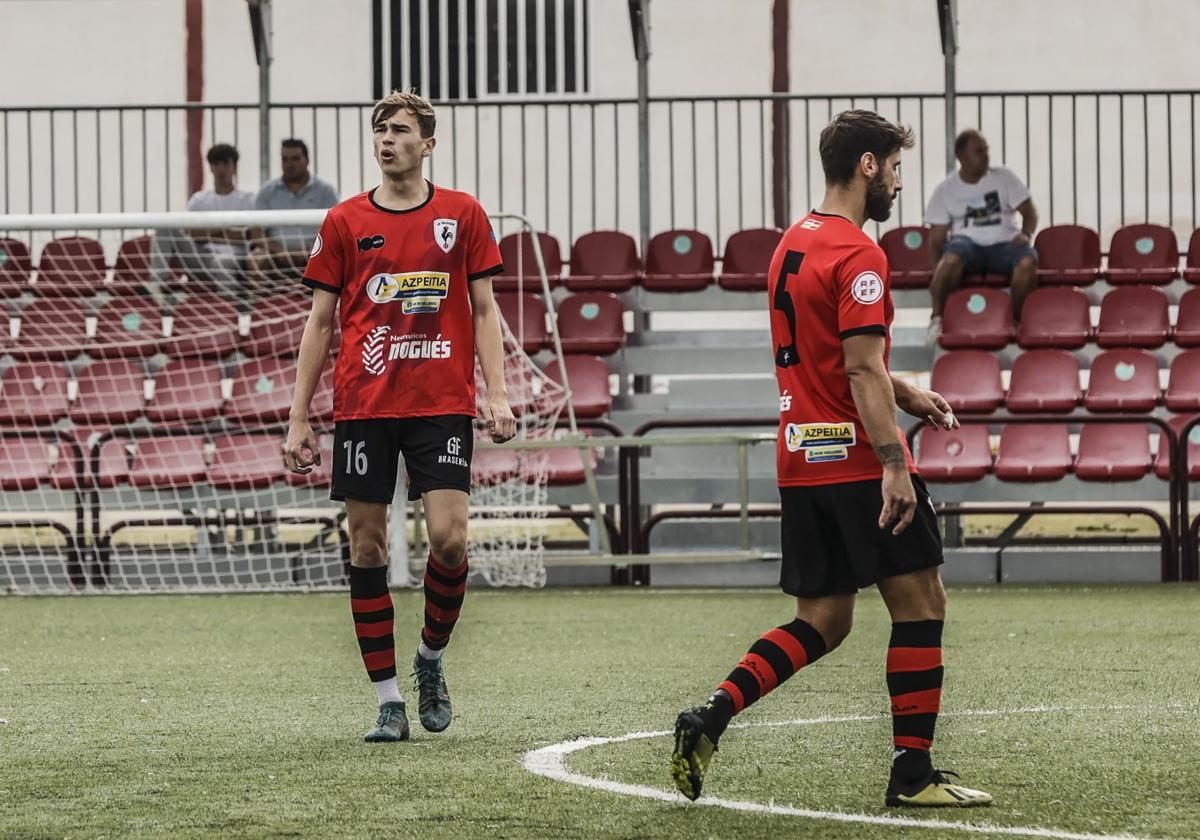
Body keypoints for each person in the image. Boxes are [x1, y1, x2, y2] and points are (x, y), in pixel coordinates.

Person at [670, 110, 992, 808]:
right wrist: (894, 462)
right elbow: (859, 369)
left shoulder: (794, 242)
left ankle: (710, 718)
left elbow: (833, 359)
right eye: (896, 168)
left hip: (800, 459)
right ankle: (912, 775)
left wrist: (907, 393)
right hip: (854, 463)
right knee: (922, 605)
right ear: (868, 166)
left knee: (824, 617)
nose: (899, 184)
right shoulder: (858, 254)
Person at [283, 91, 516, 743]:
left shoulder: (463, 215)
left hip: (441, 403)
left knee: (448, 540)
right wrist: (299, 417)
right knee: (367, 547)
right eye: (380, 129)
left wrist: (496, 392)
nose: (387, 139)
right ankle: (387, 700)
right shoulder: (344, 221)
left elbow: (486, 310)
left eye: (401, 130)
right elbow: (321, 321)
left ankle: (430, 660)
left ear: (428, 143)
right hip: (363, 407)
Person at [925, 129, 1039, 342]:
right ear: (961, 156)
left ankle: (1014, 321)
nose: (985, 154)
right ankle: (937, 317)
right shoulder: (946, 190)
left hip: (1006, 243)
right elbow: (937, 239)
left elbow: (1030, 211)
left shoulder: (1004, 177)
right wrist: (937, 274)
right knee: (949, 260)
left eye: (986, 149)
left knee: (1027, 261)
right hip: (967, 245)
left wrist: (1026, 233)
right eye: (979, 151)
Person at [148, 142, 255, 300]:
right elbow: (189, 232)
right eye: (216, 164)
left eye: (225, 164)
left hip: (232, 259)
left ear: (234, 166)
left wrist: (205, 233)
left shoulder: (248, 200)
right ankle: (156, 285)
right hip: (200, 258)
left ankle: (227, 309)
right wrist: (227, 232)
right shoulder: (199, 200)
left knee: (222, 263)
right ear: (211, 167)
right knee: (165, 226)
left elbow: (249, 236)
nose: (221, 169)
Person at [248, 138, 339, 290]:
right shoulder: (267, 191)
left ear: (307, 160)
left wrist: (310, 249)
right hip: (275, 254)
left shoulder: (325, 191)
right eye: (285, 159)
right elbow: (256, 232)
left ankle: (330, 306)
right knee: (257, 258)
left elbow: (335, 230)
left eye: (296, 158)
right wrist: (279, 251)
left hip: (315, 253)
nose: (290, 164)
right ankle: (259, 309)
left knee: (335, 257)